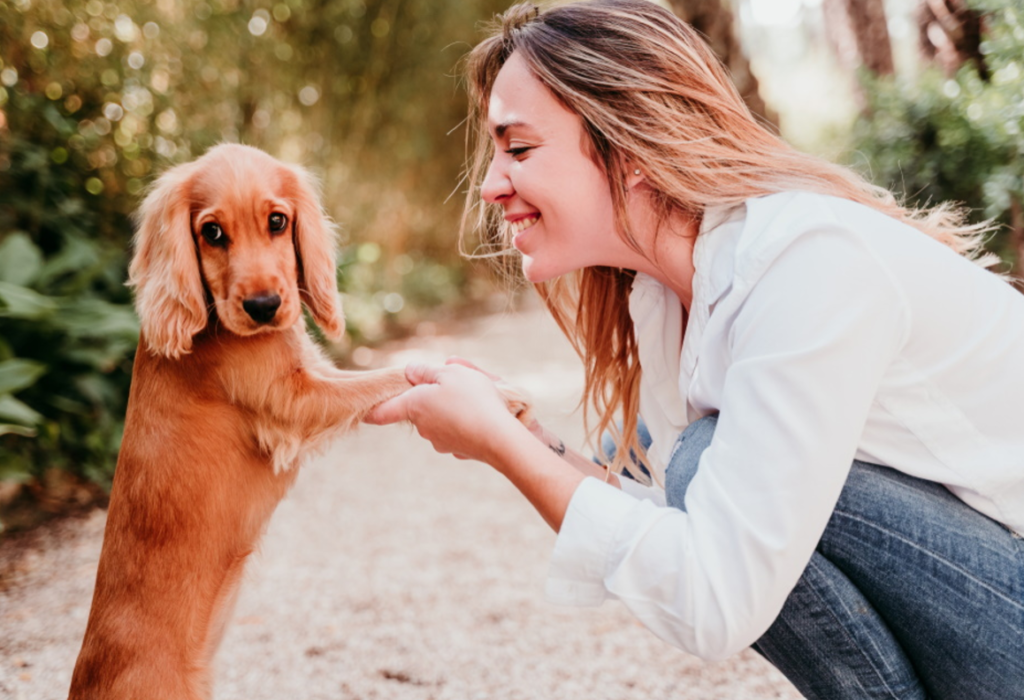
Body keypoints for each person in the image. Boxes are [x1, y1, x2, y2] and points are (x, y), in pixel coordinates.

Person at [367, 1, 1024, 698]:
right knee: (680, 458)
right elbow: (683, 540)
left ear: (633, 146)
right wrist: (528, 440)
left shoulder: (807, 262)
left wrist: (504, 445)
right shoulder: (663, 298)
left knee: (702, 460)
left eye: (519, 149)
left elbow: (717, 598)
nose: (491, 184)